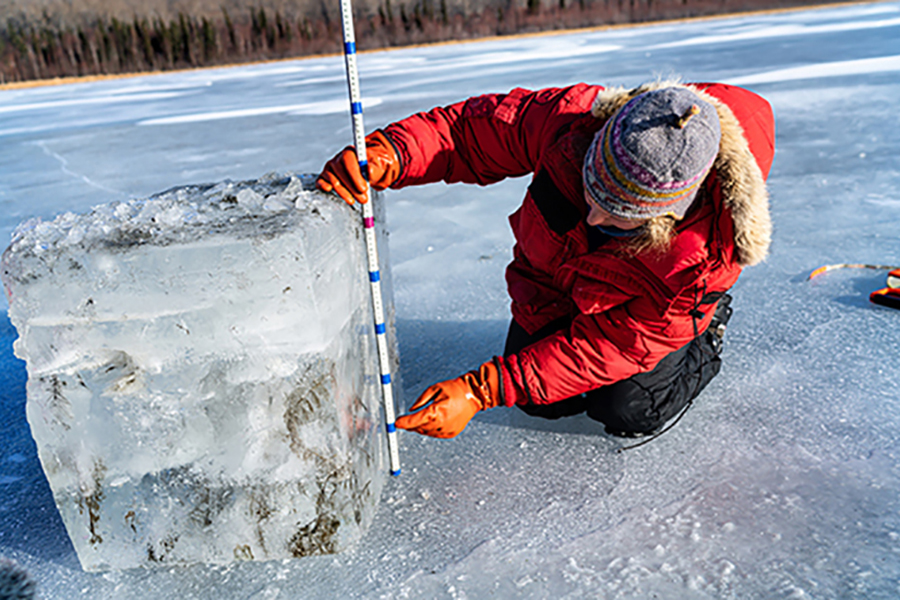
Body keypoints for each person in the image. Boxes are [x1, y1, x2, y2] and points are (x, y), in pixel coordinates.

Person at [317, 80, 774, 440]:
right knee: (543, 402)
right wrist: (393, 154)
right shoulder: (574, 123)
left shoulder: (702, 258)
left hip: (641, 321)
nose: (593, 214)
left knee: (627, 408)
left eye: (617, 215)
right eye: (591, 186)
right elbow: (470, 132)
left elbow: (614, 346)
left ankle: (705, 334)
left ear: (665, 217)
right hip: (564, 279)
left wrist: (481, 390)